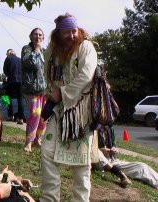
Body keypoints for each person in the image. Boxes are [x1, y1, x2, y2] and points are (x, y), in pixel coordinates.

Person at [40, 13, 98, 201]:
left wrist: (62, 93)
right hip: (59, 110)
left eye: (74, 31)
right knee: (47, 151)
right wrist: (50, 91)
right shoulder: (52, 50)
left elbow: (86, 75)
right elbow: (46, 73)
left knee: (81, 162)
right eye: (67, 32)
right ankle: (49, 198)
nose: (72, 36)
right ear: (58, 33)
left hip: (81, 111)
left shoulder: (86, 47)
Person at [96, 124, 158, 190]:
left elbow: (113, 146)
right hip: (105, 161)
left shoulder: (109, 128)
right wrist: (109, 151)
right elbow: (97, 151)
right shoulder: (96, 129)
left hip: (112, 159)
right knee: (141, 167)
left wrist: (114, 149)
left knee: (143, 166)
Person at [21, 28, 47, 153]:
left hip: (44, 89)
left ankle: (38, 139)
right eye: (35, 34)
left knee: (44, 116)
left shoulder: (44, 51)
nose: (38, 36)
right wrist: (36, 50)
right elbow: (31, 63)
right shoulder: (27, 49)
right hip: (32, 89)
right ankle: (29, 142)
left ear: (43, 38)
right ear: (30, 36)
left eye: (40, 35)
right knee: (35, 114)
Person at [3, 49, 24, 124]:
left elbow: (5, 71)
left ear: (8, 53)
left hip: (11, 80)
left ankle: (10, 116)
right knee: (20, 99)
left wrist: (8, 74)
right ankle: (21, 118)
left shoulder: (8, 59)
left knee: (8, 98)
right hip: (20, 81)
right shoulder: (20, 59)